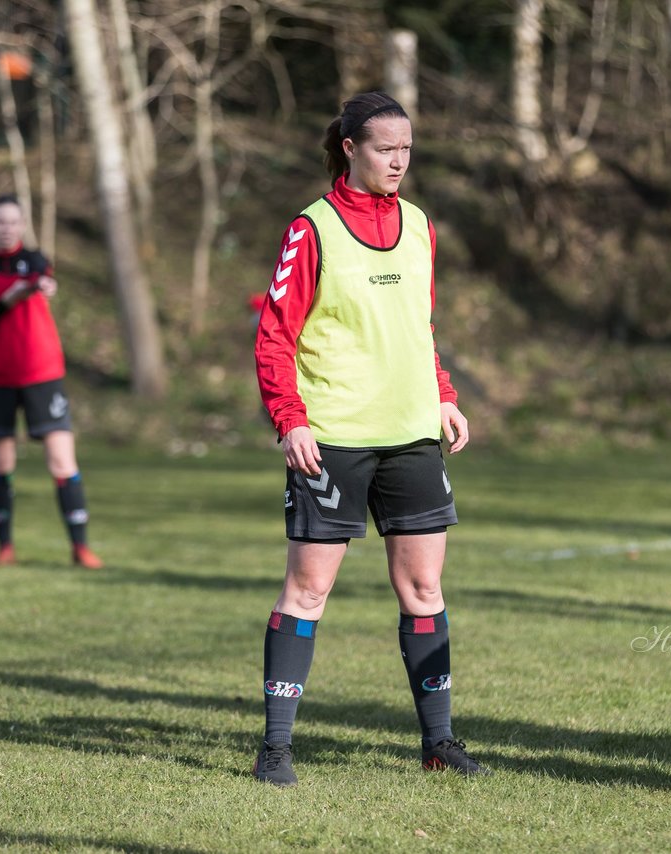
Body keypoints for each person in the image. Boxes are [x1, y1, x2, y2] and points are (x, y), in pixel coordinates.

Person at [251, 92, 486, 786]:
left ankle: (438, 742)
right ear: (350, 148)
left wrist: (442, 394)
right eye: (387, 148)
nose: (399, 161)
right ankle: (275, 747)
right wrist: (290, 418)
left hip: (412, 436)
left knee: (423, 586)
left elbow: (418, 327)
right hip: (335, 441)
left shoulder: (419, 225)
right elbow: (274, 335)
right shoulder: (312, 228)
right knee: (309, 591)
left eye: (408, 150)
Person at [0, 194, 103, 570]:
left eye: (12, 222)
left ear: (22, 225)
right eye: (0, 222)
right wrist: (11, 297)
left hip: (42, 372)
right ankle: (5, 547)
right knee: (0, 461)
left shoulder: (37, 260)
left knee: (62, 459)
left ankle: (80, 548)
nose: (6, 228)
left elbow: (46, 277)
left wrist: (43, 285)